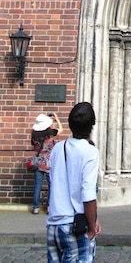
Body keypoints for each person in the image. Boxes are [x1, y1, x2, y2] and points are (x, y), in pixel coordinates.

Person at [47, 102, 101, 263]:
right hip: (74, 226)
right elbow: (88, 194)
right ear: (92, 125)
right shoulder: (90, 152)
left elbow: (54, 183)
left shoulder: (57, 148)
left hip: (53, 226)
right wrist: (92, 227)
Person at [31, 112, 63, 214]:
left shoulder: (34, 136)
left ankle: (36, 207)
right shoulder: (50, 134)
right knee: (51, 185)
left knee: (37, 185)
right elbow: (61, 130)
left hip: (38, 163)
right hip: (49, 163)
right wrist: (56, 119)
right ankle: (49, 206)